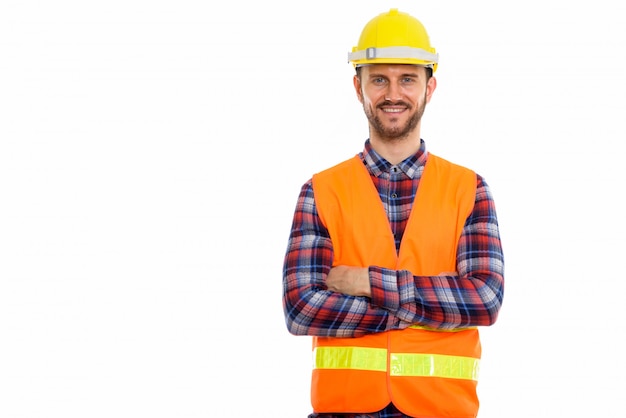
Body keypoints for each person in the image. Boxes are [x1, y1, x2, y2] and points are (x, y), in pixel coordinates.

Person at [282, 8, 505, 418]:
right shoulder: (321, 190)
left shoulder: (469, 189)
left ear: (430, 86)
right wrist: (426, 309)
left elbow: (485, 300)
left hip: (442, 410)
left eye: (408, 79)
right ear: (358, 86)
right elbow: (301, 308)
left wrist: (367, 282)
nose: (393, 93)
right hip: (343, 410)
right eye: (379, 78)